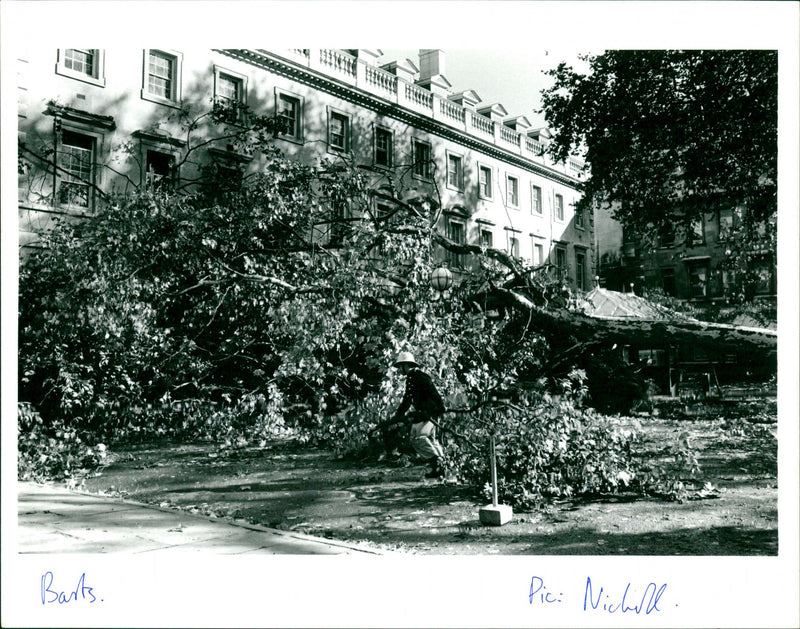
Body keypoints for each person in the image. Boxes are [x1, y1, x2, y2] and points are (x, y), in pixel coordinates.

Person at [384, 351, 446, 478]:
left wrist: (436, 411)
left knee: (418, 438)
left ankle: (438, 461)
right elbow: (407, 400)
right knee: (431, 440)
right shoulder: (412, 378)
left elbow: (434, 394)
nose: (399, 370)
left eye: (400, 367)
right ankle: (441, 469)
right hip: (426, 413)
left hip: (429, 414)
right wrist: (398, 415)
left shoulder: (420, 377)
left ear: (406, 365)